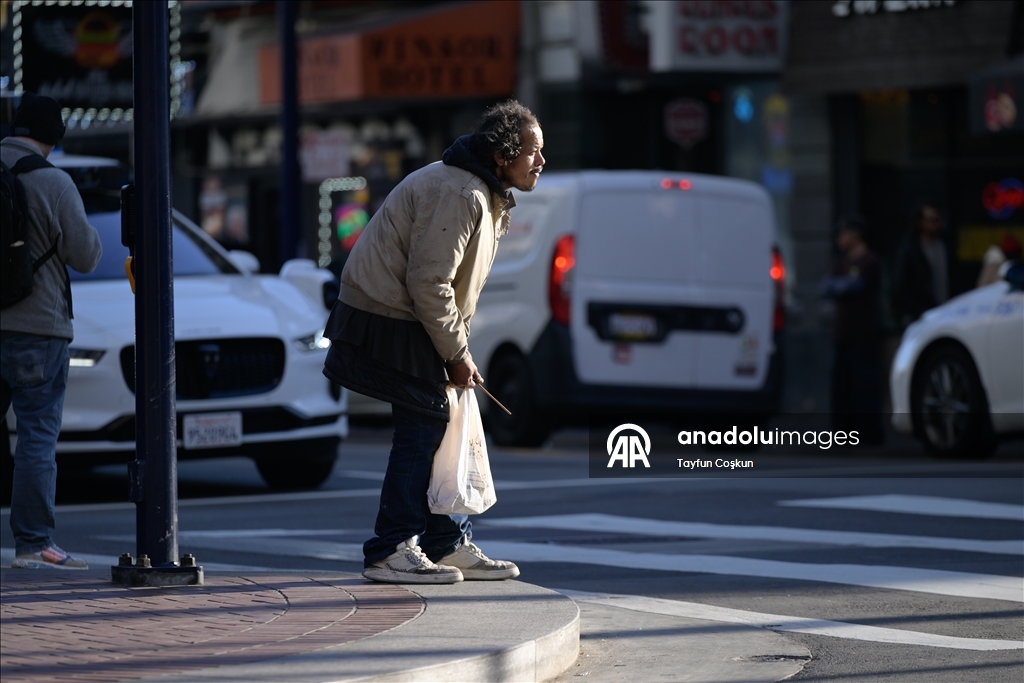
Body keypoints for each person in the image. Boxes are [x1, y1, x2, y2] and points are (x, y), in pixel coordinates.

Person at [323, 100, 545, 584]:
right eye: (533, 150)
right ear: (504, 154)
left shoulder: (483, 191)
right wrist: (458, 354)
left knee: (437, 422)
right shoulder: (461, 193)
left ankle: (444, 543)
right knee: (425, 422)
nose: (541, 161)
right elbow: (430, 283)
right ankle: (391, 549)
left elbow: (446, 288)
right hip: (383, 319)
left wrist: (456, 352)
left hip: (402, 318)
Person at [1, 93, 102, 568]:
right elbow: (86, 256)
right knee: (36, 436)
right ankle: (33, 544)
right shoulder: (53, 182)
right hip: (37, 327)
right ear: (52, 138)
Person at [821, 215, 884, 445]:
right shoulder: (841, 262)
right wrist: (842, 285)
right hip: (842, 334)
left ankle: (868, 433)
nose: (840, 239)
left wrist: (842, 285)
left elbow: (856, 286)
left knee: (865, 386)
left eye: (843, 234)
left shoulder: (870, 261)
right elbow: (826, 286)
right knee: (842, 386)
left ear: (854, 235)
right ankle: (843, 433)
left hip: (863, 334)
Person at [892, 203, 948, 327]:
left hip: (947, 312)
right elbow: (899, 286)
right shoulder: (910, 250)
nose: (934, 224)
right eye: (929, 220)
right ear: (919, 222)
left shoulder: (944, 246)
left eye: (936, 220)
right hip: (920, 316)